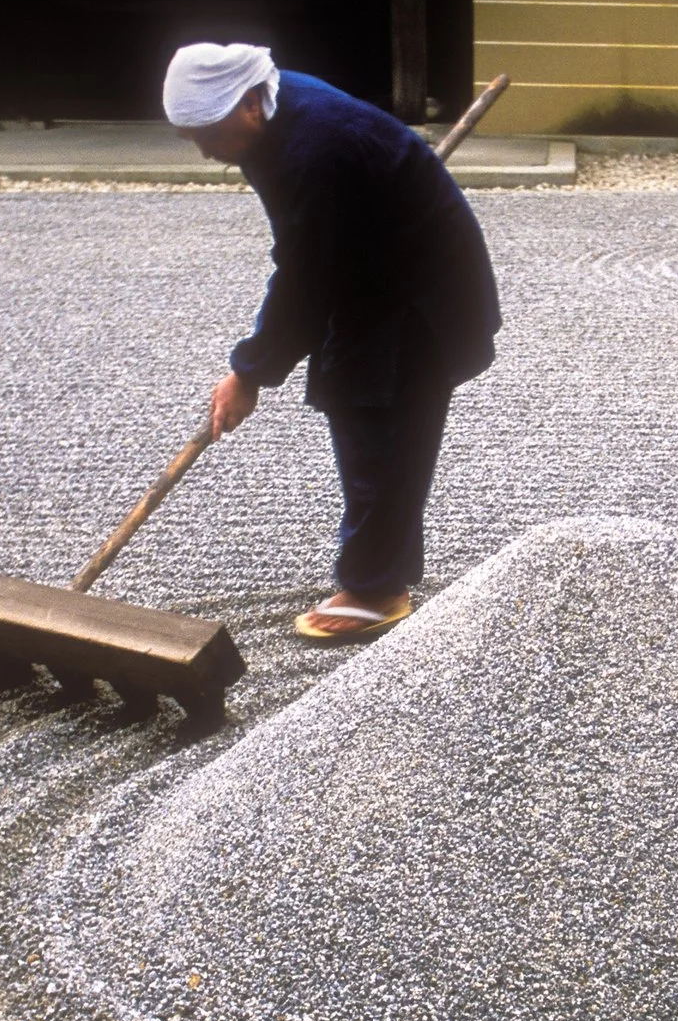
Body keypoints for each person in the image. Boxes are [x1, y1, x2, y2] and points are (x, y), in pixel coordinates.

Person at [163, 42, 501, 642]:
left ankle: (377, 589)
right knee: (360, 404)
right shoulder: (274, 109)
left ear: (246, 104)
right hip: (369, 270)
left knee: (379, 426)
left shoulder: (318, 145)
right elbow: (308, 253)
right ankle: (380, 572)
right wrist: (259, 365)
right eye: (193, 137)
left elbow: (304, 275)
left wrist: (249, 372)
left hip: (420, 295)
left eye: (208, 133)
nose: (207, 150)